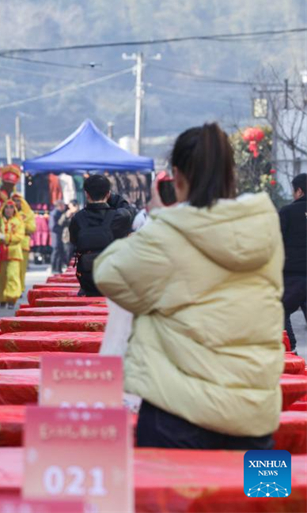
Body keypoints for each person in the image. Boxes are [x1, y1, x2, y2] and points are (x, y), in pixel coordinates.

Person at [94, 123, 284, 450]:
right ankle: (270, 492)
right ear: (231, 174)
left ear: (177, 177)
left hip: (175, 417)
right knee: (267, 496)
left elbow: (108, 273)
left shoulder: (167, 233)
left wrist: (156, 215)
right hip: (257, 415)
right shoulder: (264, 227)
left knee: (173, 501)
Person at [69, 176, 132, 296]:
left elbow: (74, 242)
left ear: (86, 194)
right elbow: (128, 210)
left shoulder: (77, 219)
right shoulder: (120, 217)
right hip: (114, 280)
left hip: (87, 281)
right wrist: (113, 197)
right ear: (108, 194)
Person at [280, 173, 306, 353]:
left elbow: (276, 242)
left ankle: (291, 350)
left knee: (280, 311)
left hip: (292, 277)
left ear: (299, 191)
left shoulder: (287, 212)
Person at [0, 199, 26, 309]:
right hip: (0, 253)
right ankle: (2, 299)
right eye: (7, 207)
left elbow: (19, 237)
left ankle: (12, 299)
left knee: (12, 276)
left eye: (11, 208)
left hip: (14, 253)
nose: (9, 210)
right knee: (1, 277)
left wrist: (4, 237)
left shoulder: (18, 221)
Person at [12, 193, 37, 293]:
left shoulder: (29, 213)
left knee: (21, 270)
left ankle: (20, 289)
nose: (15, 203)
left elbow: (32, 228)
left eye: (18, 200)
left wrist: (21, 224)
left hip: (23, 245)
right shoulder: (8, 212)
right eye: (14, 200)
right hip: (10, 246)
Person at [49, 200, 67, 273]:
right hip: (56, 236)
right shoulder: (55, 213)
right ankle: (54, 268)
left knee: (59, 252)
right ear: (59, 206)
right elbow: (53, 227)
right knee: (56, 252)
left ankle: (58, 268)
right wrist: (62, 230)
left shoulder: (58, 213)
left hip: (58, 235)